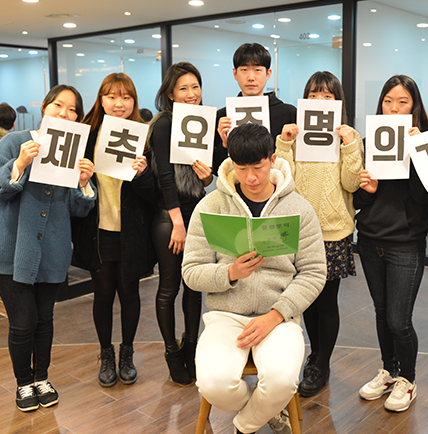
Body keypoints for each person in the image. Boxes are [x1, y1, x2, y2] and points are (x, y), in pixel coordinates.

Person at [182, 122, 326, 434]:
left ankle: (245, 425)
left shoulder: (298, 208)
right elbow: (191, 271)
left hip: (280, 316)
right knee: (212, 383)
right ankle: (266, 412)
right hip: (225, 315)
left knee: (282, 380)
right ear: (231, 164)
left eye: (258, 167)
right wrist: (230, 273)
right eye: (242, 168)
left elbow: (314, 272)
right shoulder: (211, 206)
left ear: (273, 160)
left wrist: (276, 315)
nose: (251, 177)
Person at [0, 84, 96, 412]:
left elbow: (78, 209)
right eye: (58, 105)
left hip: (52, 250)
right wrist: (19, 163)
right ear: (45, 107)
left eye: (73, 110)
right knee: (23, 321)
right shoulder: (15, 141)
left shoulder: (71, 151)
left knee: (44, 319)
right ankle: (23, 383)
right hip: (11, 250)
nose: (64, 113)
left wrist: (83, 183)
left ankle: (41, 377)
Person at [274, 71, 363, 397]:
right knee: (305, 300)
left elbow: (352, 184)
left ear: (337, 101)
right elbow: (282, 180)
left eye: (327, 96)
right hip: (298, 230)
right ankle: (314, 356)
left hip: (333, 230)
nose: (320, 101)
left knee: (326, 301)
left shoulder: (349, 137)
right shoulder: (294, 136)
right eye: (314, 95)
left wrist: (350, 146)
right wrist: (285, 143)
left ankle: (321, 363)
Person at [72, 72, 158, 388]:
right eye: (111, 96)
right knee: (103, 293)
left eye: (125, 97)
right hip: (98, 229)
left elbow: (154, 195)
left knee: (129, 293)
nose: (118, 103)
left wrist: (143, 174)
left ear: (134, 101)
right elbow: (72, 187)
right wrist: (81, 179)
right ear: (101, 99)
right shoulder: (86, 136)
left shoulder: (144, 137)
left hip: (132, 230)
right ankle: (106, 353)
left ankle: (127, 353)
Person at [355, 75, 428, 412]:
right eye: (388, 101)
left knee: (399, 320)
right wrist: (366, 190)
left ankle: (408, 379)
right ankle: (389, 371)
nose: (394, 109)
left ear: (414, 106)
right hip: (370, 240)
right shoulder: (368, 142)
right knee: (382, 313)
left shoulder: (427, 142)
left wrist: (418, 153)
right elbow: (357, 199)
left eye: (403, 102)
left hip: (406, 243)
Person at [144, 62, 213, 385]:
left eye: (195, 87)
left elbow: (203, 178)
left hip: (196, 213)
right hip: (169, 218)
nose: (191, 93)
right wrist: (178, 223)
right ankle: (172, 351)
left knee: (194, 287)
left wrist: (208, 177)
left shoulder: (201, 121)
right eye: (183, 88)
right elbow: (165, 177)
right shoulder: (163, 123)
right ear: (170, 93)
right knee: (169, 288)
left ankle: (192, 349)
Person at [213, 42, 297, 172]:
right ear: (235, 73)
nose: (251, 77)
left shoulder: (288, 113)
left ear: (268, 73)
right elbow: (217, 170)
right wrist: (225, 145)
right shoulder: (223, 117)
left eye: (257, 70)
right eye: (244, 70)